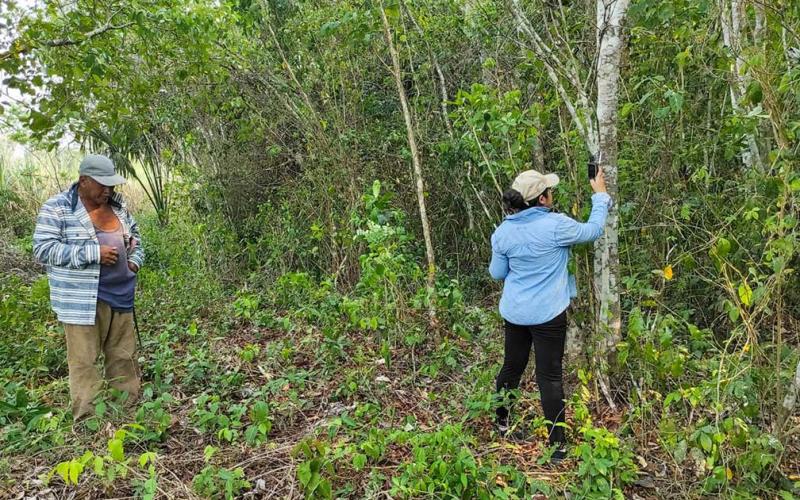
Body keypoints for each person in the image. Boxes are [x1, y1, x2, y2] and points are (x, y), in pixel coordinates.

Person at [489, 165, 611, 463]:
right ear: (542, 199)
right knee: (549, 377)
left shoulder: (502, 232)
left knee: (512, 367)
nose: (552, 194)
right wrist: (601, 196)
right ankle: (557, 447)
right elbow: (592, 231)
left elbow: (497, 273)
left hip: (516, 313)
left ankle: (502, 423)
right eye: (549, 191)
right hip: (547, 315)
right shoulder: (557, 225)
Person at [33, 154, 144, 420]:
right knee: (85, 361)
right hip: (82, 301)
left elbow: (138, 239)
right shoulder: (58, 207)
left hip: (121, 296)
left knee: (123, 356)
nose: (108, 190)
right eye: (102, 184)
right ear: (83, 181)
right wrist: (93, 253)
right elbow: (43, 249)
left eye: (111, 185)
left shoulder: (118, 207)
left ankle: (126, 413)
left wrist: (134, 263)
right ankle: (88, 421)